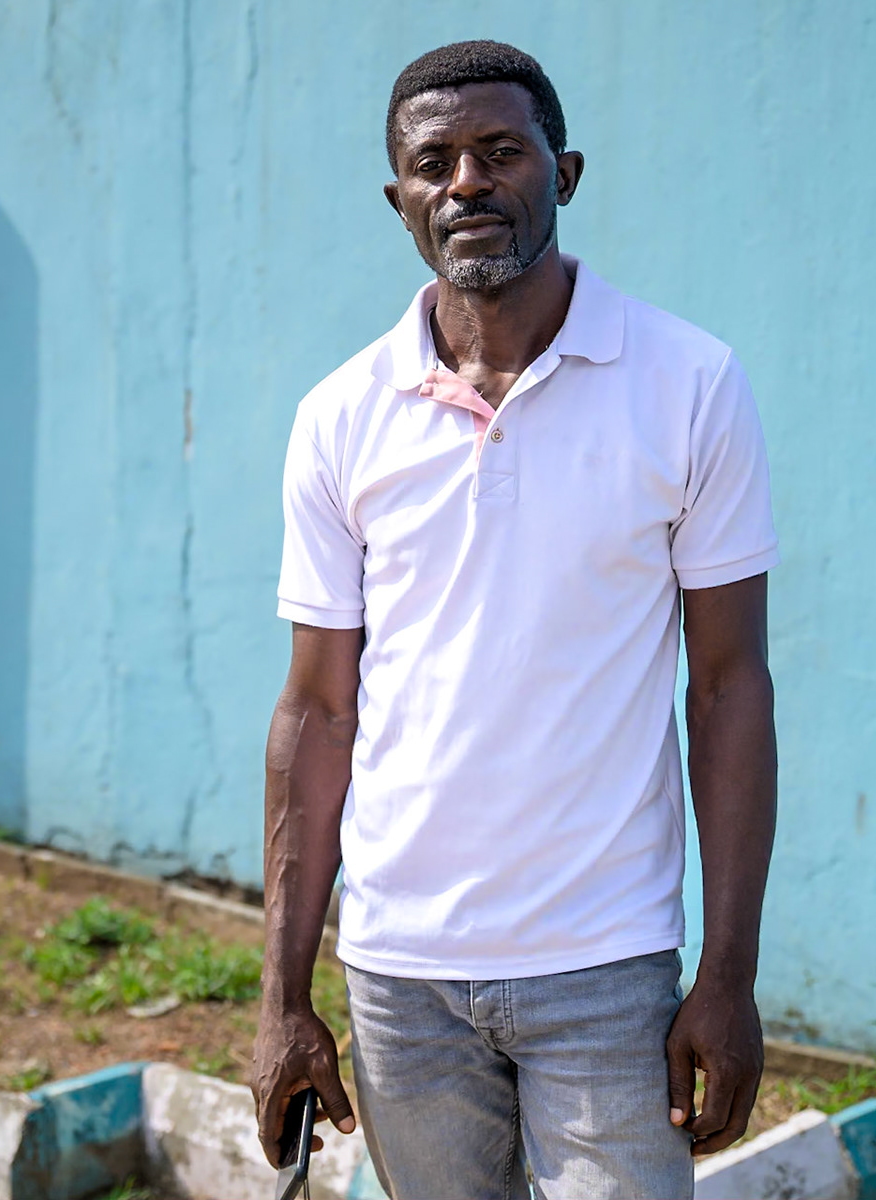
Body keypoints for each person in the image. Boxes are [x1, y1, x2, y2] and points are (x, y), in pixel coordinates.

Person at [252, 39, 779, 1200]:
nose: (466, 185)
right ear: (398, 202)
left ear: (566, 171)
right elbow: (318, 708)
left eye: (501, 152)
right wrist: (285, 994)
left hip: (605, 967)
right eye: (432, 163)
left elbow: (731, 687)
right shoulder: (340, 418)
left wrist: (729, 975)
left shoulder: (689, 383)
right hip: (401, 976)